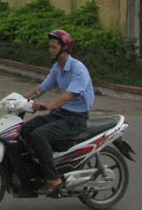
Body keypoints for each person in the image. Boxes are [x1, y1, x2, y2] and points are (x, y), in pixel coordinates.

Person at [21, 29, 95, 197]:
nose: (50, 50)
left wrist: (49, 107)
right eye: (49, 47)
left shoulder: (78, 69)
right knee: (25, 129)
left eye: (53, 47)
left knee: (40, 135)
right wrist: (18, 100)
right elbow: (41, 89)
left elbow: (69, 95)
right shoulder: (57, 68)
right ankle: (42, 166)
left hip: (76, 119)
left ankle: (54, 179)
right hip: (61, 114)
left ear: (64, 49)